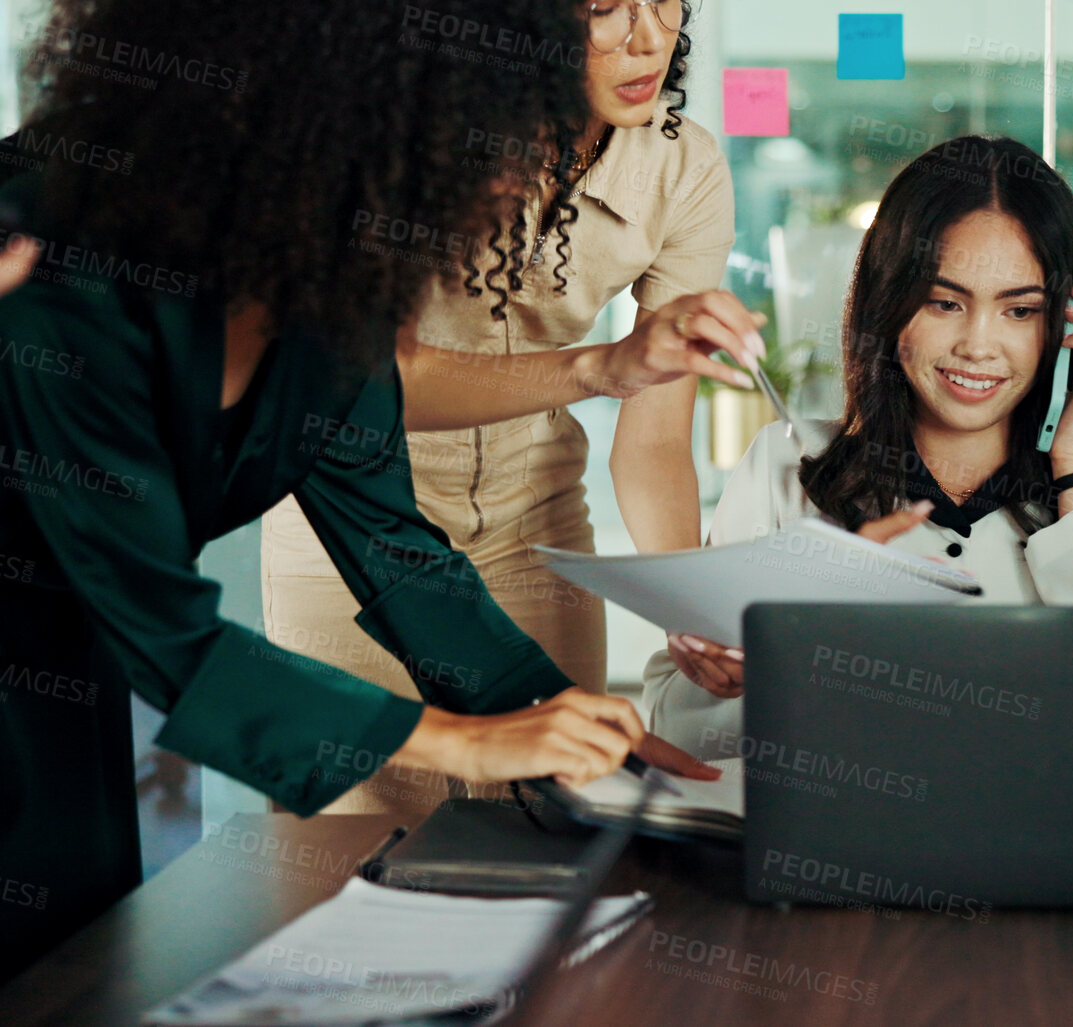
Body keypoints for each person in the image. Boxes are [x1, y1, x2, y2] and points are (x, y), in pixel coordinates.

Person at [0, 0, 717, 979]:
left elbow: (396, 548)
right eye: (486, 140)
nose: (515, 178)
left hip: (60, 681)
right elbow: (168, 635)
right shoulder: (64, 267)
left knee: (66, 963)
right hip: (62, 648)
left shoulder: (323, 295)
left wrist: (573, 731)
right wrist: (466, 746)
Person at [257, 0, 767, 816]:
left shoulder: (685, 167)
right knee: (347, 855)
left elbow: (655, 434)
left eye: (666, 1)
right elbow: (367, 386)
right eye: (605, 9)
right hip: (353, 525)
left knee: (549, 830)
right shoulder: (394, 139)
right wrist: (601, 365)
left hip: (538, 530)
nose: (648, 38)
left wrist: (685, 608)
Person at [635, 135, 1073, 752]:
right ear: (889, 303)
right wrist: (742, 677)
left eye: (1020, 311)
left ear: (1067, 325)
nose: (978, 345)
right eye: (945, 302)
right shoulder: (788, 467)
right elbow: (680, 733)